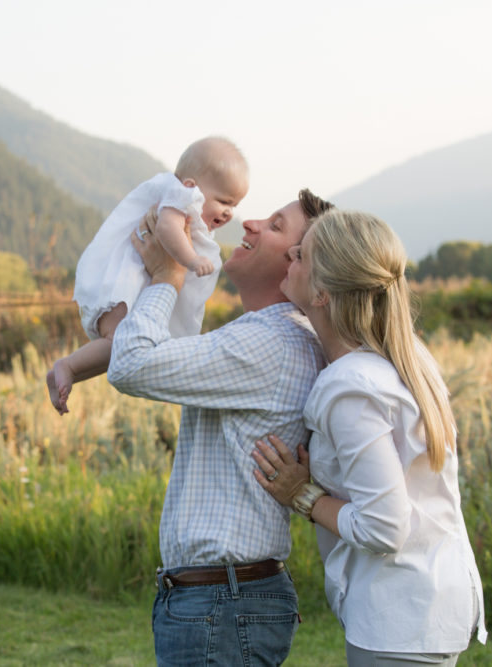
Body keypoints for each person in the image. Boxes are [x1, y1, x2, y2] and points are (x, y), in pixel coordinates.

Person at [251, 209, 488, 666]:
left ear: (322, 292)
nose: (289, 258)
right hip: (424, 604)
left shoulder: (351, 386)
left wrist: (302, 495)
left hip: (400, 618)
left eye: (300, 254)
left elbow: (384, 526)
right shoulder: (406, 358)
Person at [107, 189, 334, 666]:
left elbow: (130, 364)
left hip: (222, 604)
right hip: (223, 600)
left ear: (301, 262)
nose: (249, 224)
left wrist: (166, 276)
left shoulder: (268, 343)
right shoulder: (264, 337)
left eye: (275, 226)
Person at [46, 136, 249, 414]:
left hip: (134, 278)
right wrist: (191, 260)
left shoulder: (182, 196)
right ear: (192, 185)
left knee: (120, 345)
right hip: (125, 278)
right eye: (224, 201)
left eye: (234, 206)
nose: (228, 213)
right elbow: (167, 229)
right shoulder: (181, 195)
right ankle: (67, 367)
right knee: (121, 341)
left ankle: (68, 373)